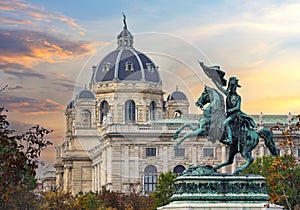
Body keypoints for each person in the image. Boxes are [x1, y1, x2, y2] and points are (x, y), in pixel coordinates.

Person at [199, 62, 255, 145]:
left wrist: (230, 110)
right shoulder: (228, 94)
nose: (233, 88)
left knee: (225, 123)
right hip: (228, 114)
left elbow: (238, 108)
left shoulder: (238, 97)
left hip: (235, 114)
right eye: (232, 86)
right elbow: (219, 87)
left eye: (234, 87)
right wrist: (214, 80)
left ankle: (229, 138)